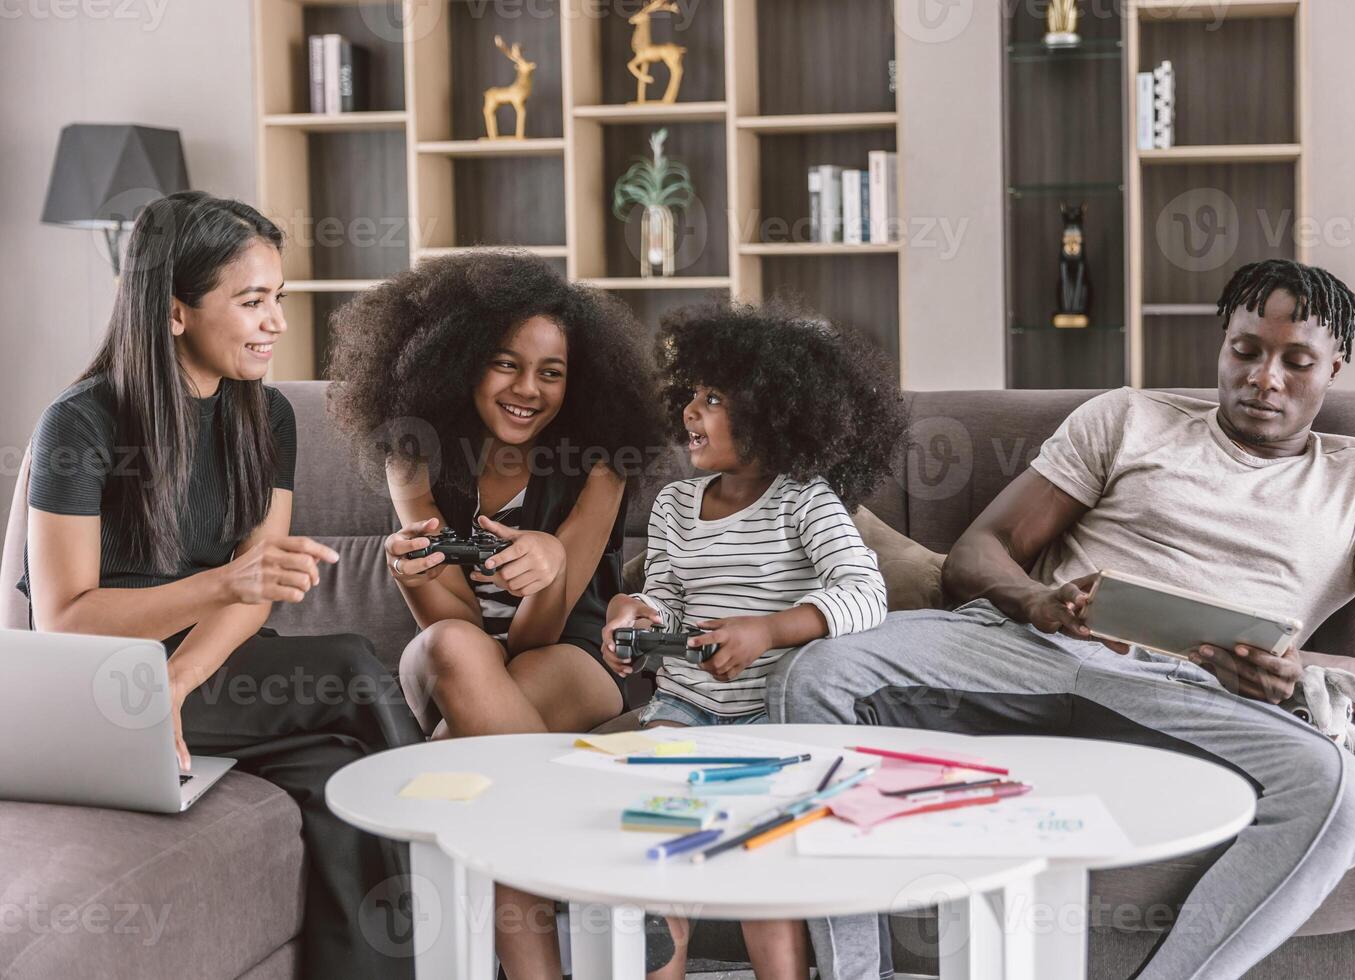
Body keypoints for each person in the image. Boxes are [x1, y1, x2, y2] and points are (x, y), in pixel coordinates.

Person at [768, 259, 1355, 979]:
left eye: (1297, 361)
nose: (1264, 379)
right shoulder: (1129, 418)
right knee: (812, 672)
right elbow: (982, 550)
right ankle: (852, 972)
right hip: (1031, 648)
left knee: (1342, 795)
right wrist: (1034, 600)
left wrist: (1304, 672)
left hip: (1192, 695)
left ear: (1334, 368)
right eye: (1247, 351)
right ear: (1222, 344)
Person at [20, 191, 420, 980]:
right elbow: (63, 622)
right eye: (251, 301)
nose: (275, 320)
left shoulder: (266, 416)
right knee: (349, 664)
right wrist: (217, 591)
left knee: (340, 782)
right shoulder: (81, 423)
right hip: (99, 681)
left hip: (201, 669)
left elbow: (258, 589)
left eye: (279, 298)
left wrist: (176, 680)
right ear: (174, 312)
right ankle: (463, 838)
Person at [328, 250, 661, 979]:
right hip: (455, 656)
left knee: (473, 756)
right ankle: (585, 865)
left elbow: (541, 633)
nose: (528, 390)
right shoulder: (413, 455)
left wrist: (549, 566)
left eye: (552, 372)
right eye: (506, 364)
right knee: (452, 643)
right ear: (458, 363)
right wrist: (408, 572)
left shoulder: (601, 461)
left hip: (570, 653)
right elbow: (450, 624)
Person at [600, 304, 907, 979]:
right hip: (681, 709)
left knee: (763, 876)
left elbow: (865, 591)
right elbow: (667, 596)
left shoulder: (805, 501)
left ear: (776, 414)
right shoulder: (676, 506)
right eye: (692, 394)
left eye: (714, 398)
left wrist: (769, 629)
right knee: (658, 857)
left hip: (773, 718)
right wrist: (636, 614)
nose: (690, 412)